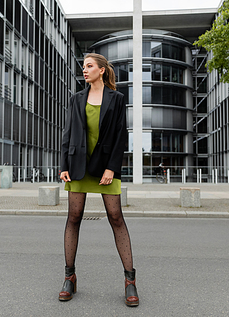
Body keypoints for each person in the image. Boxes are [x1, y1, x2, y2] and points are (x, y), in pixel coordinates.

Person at [59, 53, 139, 307]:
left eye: (90, 66)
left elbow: (120, 136)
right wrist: (63, 166)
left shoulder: (117, 99)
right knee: (74, 217)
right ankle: (69, 277)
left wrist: (112, 168)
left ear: (102, 70)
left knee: (116, 217)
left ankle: (130, 281)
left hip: (105, 167)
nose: (85, 70)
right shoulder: (76, 99)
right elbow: (68, 132)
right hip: (78, 166)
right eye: (84, 67)